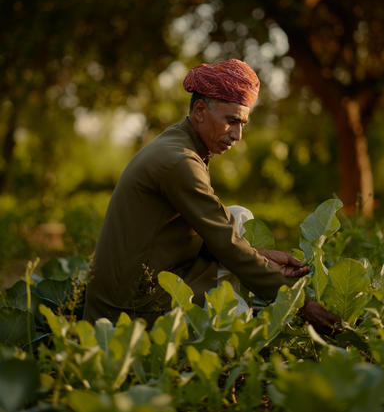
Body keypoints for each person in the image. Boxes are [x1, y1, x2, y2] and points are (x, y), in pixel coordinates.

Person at [83, 59, 336, 332]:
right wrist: (297, 302)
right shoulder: (179, 161)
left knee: (238, 217)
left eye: (243, 124)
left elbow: (214, 233)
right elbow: (224, 241)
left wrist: (263, 259)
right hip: (128, 309)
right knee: (232, 313)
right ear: (201, 111)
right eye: (232, 121)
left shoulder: (182, 143)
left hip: (150, 274)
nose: (238, 135)